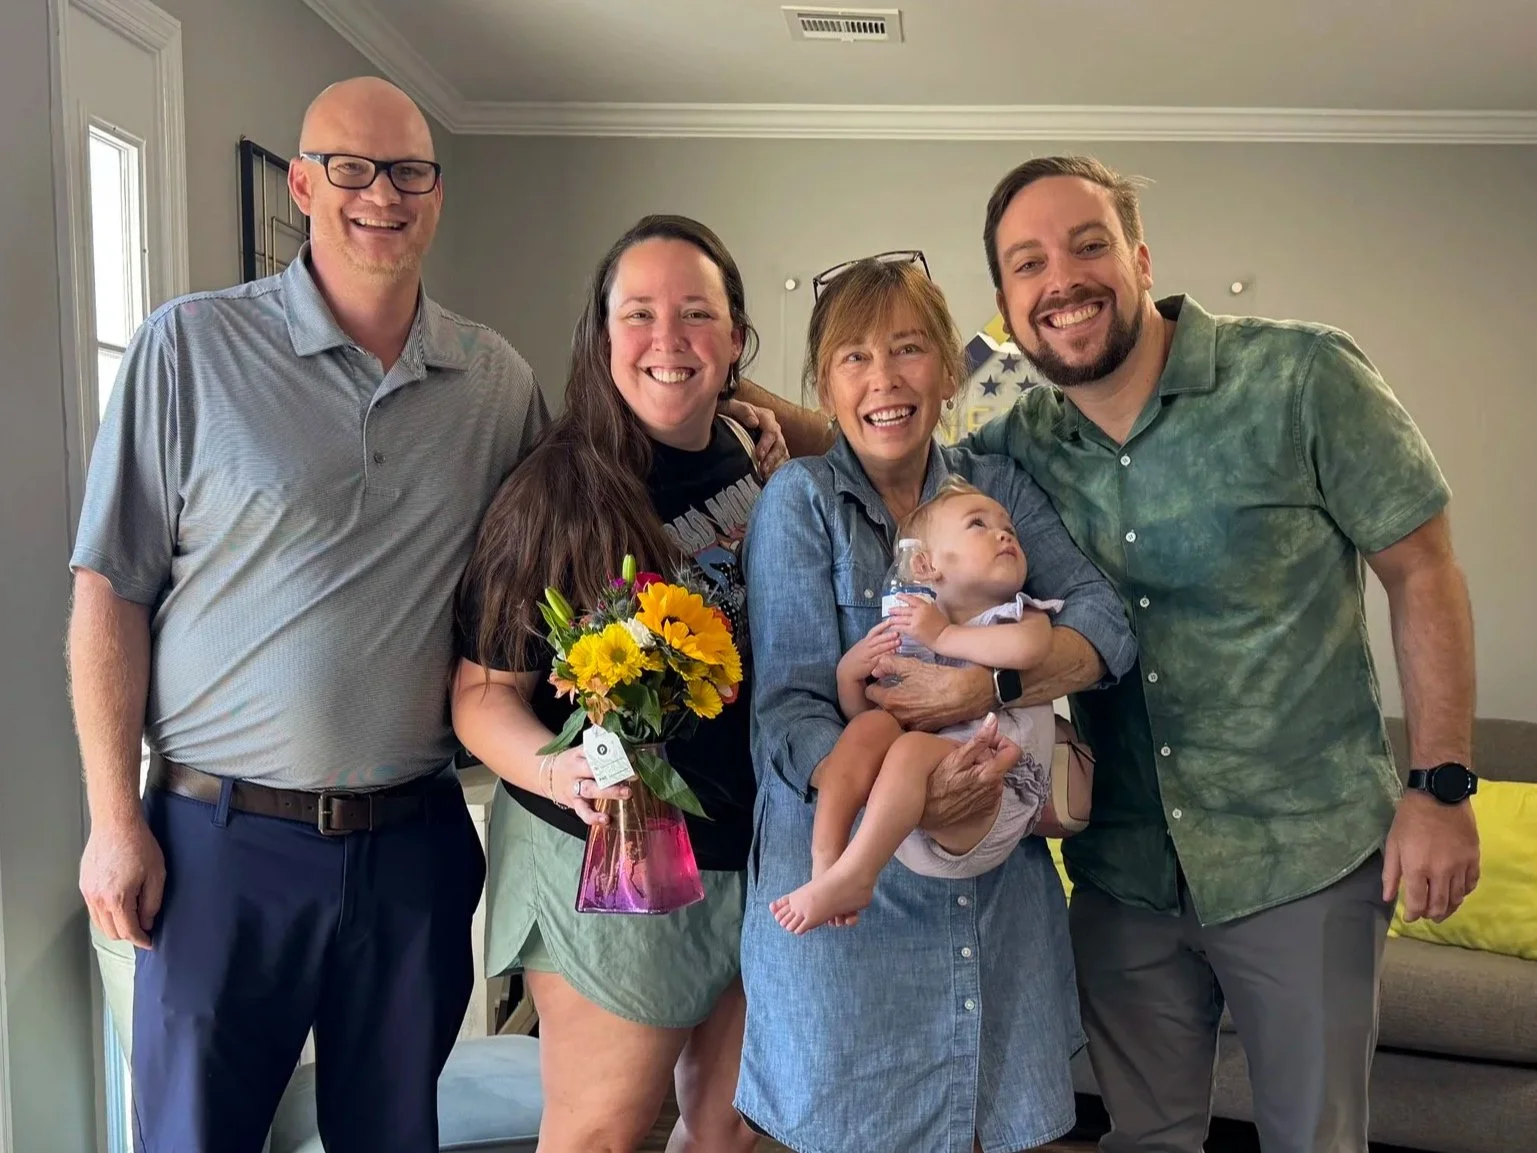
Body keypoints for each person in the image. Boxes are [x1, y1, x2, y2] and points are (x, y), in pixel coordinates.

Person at [967, 155, 1480, 1153]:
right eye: (1027, 264)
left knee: (1312, 1140)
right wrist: (773, 420)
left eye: (1086, 245)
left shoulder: (1300, 376)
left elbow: (1423, 569)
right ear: (1006, 302)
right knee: (1141, 1138)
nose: (1060, 280)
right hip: (1119, 869)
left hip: (1303, 856)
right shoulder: (1011, 448)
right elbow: (889, 446)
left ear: (1139, 256)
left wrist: (1441, 785)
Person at [69, 77, 543, 1152]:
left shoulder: (496, 383)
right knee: (197, 1135)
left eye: (411, 171)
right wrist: (112, 820)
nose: (383, 194)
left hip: (412, 843)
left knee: (390, 1136)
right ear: (302, 183)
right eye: (351, 168)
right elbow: (110, 592)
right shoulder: (186, 348)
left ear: (436, 193)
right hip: (217, 844)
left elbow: (559, 544)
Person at [738, 254, 1137, 1153]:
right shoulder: (801, 501)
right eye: (853, 358)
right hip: (850, 916)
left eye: (908, 349)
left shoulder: (995, 495)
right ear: (825, 383)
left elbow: (1105, 626)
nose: (882, 379)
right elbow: (790, 710)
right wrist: (903, 779)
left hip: (993, 899)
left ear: (946, 372)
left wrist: (981, 686)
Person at [450, 215, 773, 1153]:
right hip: (608, 858)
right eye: (638, 314)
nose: (668, 340)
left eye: (695, 314)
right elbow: (478, 693)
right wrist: (563, 778)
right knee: (605, 1129)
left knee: (735, 1127)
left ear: (735, 339)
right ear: (600, 337)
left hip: (748, 853)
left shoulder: (757, 463)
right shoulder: (554, 492)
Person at [770, 477, 1065, 934]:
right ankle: (826, 860)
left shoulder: (1018, 615)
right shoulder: (915, 630)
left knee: (908, 751)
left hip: (994, 797)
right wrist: (850, 676)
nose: (1004, 533)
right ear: (925, 565)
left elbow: (1030, 652)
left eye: (1009, 528)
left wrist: (945, 637)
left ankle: (856, 874)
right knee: (868, 733)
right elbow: (874, 714)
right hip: (906, 822)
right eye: (978, 525)